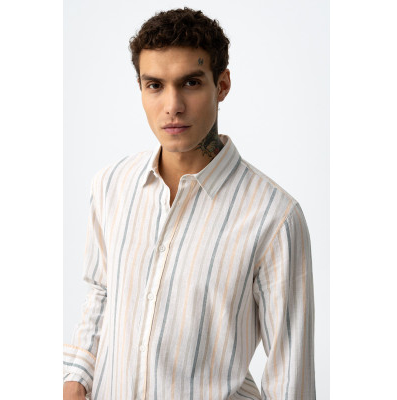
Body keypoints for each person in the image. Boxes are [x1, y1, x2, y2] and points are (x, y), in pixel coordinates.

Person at [63, 7, 316, 400]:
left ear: (222, 85)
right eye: (155, 85)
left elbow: (290, 374)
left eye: (191, 83)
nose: (173, 105)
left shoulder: (274, 217)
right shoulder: (111, 185)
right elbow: (102, 292)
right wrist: (76, 381)